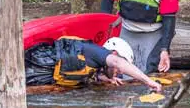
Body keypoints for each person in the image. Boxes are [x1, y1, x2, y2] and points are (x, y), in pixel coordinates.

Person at [23, 36, 162, 92]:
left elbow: (84, 72)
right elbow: (118, 63)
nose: (119, 72)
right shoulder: (97, 52)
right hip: (38, 62)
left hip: (42, 77)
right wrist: (148, 81)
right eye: (119, 70)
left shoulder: (95, 67)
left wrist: (106, 78)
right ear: (114, 53)